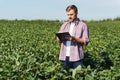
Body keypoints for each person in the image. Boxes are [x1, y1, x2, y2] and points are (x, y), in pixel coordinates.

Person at [57, 5, 89, 69]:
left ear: (76, 13)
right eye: (68, 15)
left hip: (77, 57)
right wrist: (59, 38)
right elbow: (58, 40)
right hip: (64, 56)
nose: (69, 16)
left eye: (71, 14)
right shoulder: (64, 25)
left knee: (78, 76)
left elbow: (86, 41)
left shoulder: (83, 25)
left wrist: (74, 39)